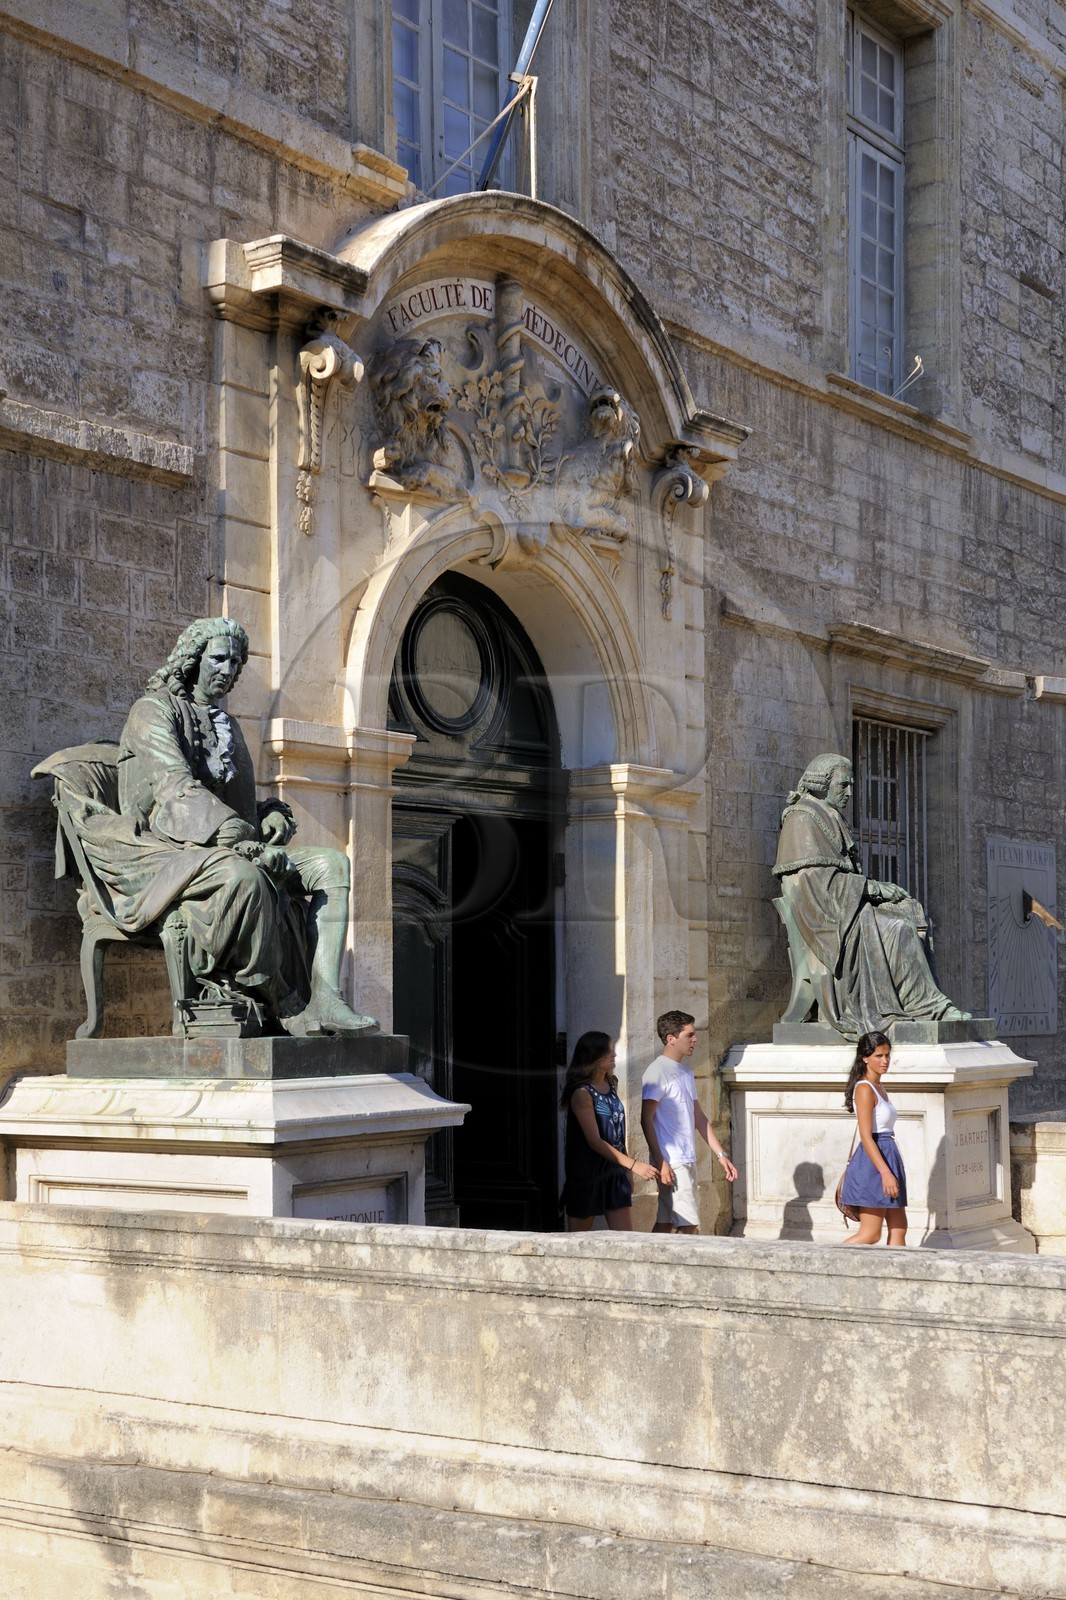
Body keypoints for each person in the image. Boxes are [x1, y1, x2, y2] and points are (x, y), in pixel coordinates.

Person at [70, 617, 375, 1035]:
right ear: (193, 660)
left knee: (332, 865)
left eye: (236, 663)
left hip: (222, 842)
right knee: (244, 877)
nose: (227, 670)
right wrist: (245, 845)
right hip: (161, 851)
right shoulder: (152, 712)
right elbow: (175, 788)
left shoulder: (225, 725)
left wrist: (268, 816)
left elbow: (240, 805)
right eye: (218, 658)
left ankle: (326, 998)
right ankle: (281, 998)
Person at [773, 753, 969, 1039]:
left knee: (909, 914)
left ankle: (930, 1007)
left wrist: (875, 891)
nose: (849, 793)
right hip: (825, 920)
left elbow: (838, 877)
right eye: (843, 785)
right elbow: (812, 884)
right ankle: (923, 1007)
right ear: (820, 784)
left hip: (847, 909)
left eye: (850, 785)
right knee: (898, 929)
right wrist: (874, 889)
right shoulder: (801, 818)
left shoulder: (829, 815)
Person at [640, 1010, 737, 1234]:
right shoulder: (656, 1072)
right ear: (671, 1039)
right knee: (689, 1223)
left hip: (686, 1157)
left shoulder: (685, 1071)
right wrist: (661, 1161)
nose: (695, 1039)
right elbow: (647, 1119)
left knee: (665, 1222)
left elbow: (699, 1117)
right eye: (689, 1035)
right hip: (672, 1160)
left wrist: (721, 1155)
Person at [560, 1032, 659, 1230]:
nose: (614, 1054)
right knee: (579, 1243)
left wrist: (626, 1170)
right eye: (608, 1051)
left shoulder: (610, 1085)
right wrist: (634, 1165)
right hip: (588, 1174)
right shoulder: (582, 1094)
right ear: (594, 1057)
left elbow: (617, 1133)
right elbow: (594, 1140)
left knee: (625, 1241)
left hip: (614, 1171)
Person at [839, 1030, 908, 1246]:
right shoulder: (864, 1088)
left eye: (887, 1055)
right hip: (874, 1163)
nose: (885, 1061)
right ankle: (829, 1263)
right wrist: (885, 1173)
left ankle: (898, 1279)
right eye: (879, 1056)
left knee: (899, 1229)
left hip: (888, 1154)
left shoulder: (879, 1087)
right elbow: (866, 1136)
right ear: (865, 1058)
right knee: (870, 1233)